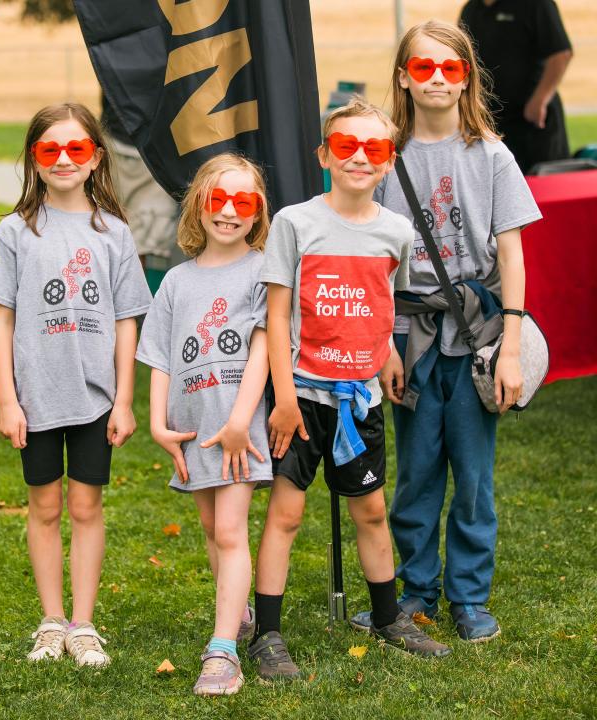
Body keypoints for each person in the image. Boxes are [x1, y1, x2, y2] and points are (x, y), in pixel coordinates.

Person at [350, 21, 542, 643]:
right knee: (418, 471)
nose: (436, 79)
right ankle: (415, 591)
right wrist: (382, 346)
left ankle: (468, 596)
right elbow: (369, 259)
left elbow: (511, 257)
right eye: (423, 67)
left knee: (474, 476)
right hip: (409, 334)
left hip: (476, 330)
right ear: (404, 76)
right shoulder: (384, 156)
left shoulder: (491, 155)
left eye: (449, 69)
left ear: (466, 78)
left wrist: (510, 348)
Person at [248, 97, 451, 681]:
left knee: (371, 510)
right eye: (346, 146)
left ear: (389, 161)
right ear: (325, 155)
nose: (360, 157)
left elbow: (381, 303)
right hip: (302, 399)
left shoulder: (397, 233)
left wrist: (385, 351)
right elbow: (277, 318)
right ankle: (268, 635)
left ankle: (389, 619)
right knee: (285, 516)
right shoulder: (295, 223)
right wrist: (283, 400)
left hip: (359, 400)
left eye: (375, 148)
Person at [0, 102, 152, 666]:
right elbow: (1, 317)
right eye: (49, 149)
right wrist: (8, 399)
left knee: (85, 507)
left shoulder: (114, 233)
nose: (62, 159)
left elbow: (128, 319)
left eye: (75, 149)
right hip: (35, 398)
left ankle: (83, 625)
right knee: (46, 507)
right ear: (33, 158)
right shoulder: (15, 232)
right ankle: (51, 622)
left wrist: (124, 400)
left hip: (94, 399)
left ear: (95, 158)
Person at [136, 153, 273, 696]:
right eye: (220, 199)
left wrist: (241, 421)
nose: (230, 212)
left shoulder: (263, 270)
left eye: (245, 202)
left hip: (237, 430)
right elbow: (162, 358)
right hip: (192, 431)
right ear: (200, 203)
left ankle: (224, 654)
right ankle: (236, 612)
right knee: (210, 529)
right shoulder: (175, 281)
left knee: (229, 531)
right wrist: (156, 423)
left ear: (258, 211)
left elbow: (264, 349)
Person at [459, 0, 573, 173]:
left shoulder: (537, 5)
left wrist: (540, 100)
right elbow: (461, 61)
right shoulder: (471, 10)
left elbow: (561, 54)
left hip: (534, 124)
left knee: (544, 191)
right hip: (491, 126)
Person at [101, 93, 179, 292]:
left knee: (153, 237)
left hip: (159, 144)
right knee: (114, 232)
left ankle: (147, 315)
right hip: (118, 140)